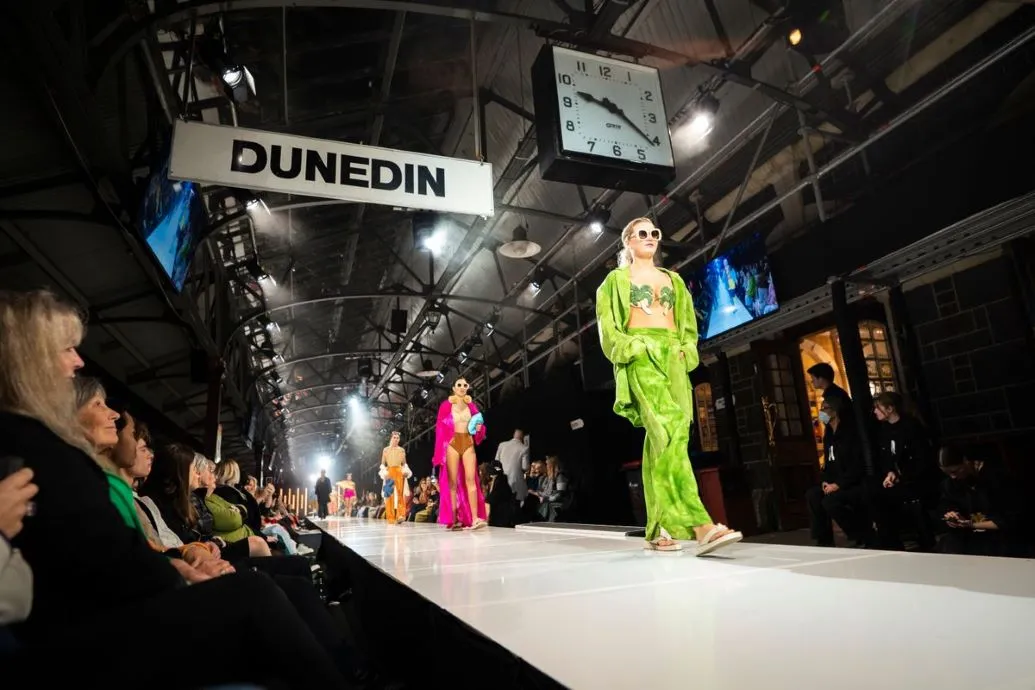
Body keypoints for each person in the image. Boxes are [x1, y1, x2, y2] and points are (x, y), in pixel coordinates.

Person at [596, 217, 741, 555]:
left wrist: (686, 351)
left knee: (664, 439)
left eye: (654, 233)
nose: (649, 238)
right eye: (641, 233)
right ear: (628, 242)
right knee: (670, 425)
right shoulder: (614, 282)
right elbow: (607, 328)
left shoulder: (673, 281)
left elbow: (688, 326)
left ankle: (660, 527)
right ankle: (699, 523)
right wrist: (632, 348)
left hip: (673, 359)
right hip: (641, 356)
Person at [871, 392, 937, 550]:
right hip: (897, 478)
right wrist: (890, 473)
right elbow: (886, 457)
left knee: (892, 497)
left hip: (916, 478)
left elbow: (922, 460)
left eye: (878, 408)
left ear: (890, 408)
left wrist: (901, 476)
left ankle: (925, 541)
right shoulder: (884, 430)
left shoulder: (911, 427)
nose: (875, 411)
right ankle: (891, 544)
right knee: (873, 492)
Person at [805, 395, 873, 547]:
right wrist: (825, 481)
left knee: (830, 501)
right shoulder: (829, 434)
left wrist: (838, 484)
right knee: (813, 495)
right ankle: (824, 539)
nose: (822, 412)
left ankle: (859, 533)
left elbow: (856, 465)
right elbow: (829, 463)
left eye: (825, 409)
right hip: (833, 481)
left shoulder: (849, 434)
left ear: (835, 411)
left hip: (850, 482)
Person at [935, 446, 1023, 557]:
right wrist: (951, 514)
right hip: (970, 533)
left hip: (999, 534)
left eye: (955, 471)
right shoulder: (950, 484)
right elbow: (947, 504)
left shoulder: (996, 478)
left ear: (965, 461)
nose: (952, 477)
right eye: (947, 473)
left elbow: (1008, 519)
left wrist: (971, 524)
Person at [432, 378, 487, 530]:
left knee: (471, 480)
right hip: (452, 443)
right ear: (454, 388)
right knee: (452, 483)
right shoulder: (446, 406)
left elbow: (480, 427)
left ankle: (475, 518)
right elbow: (440, 429)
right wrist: (440, 453)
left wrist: (479, 428)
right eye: (459, 385)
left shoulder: (472, 406)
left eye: (465, 385)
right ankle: (454, 518)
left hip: (468, 442)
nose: (462, 387)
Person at [379, 431, 412, 524]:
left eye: (397, 438)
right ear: (391, 438)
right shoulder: (385, 450)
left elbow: (404, 463)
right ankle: (390, 517)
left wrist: (405, 471)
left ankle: (400, 515)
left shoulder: (401, 450)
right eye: (394, 437)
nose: (396, 439)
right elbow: (382, 463)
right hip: (389, 471)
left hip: (399, 471)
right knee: (389, 495)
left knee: (400, 494)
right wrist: (384, 473)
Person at [495, 428, 530, 510]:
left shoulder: (502, 445)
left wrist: (499, 475)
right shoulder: (524, 448)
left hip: (501, 481)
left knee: (503, 506)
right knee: (515, 507)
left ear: (514, 435)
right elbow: (525, 467)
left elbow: (496, 463)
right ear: (523, 437)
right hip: (516, 482)